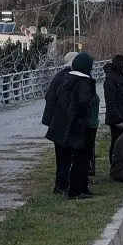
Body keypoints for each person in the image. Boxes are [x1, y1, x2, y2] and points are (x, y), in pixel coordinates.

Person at [46, 52, 97, 199]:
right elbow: (83, 102)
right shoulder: (83, 82)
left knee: (64, 157)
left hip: (61, 124)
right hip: (75, 126)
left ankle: (65, 185)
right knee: (77, 157)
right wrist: (82, 115)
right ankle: (72, 188)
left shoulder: (66, 78)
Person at [42, 51, 78, 194]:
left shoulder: (59, 76)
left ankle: (61, 184)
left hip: (55, 122)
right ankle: (61, 185)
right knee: (64, 155)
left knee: (62, 155)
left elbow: (49, 96)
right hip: (61, 122)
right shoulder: (68, 78)